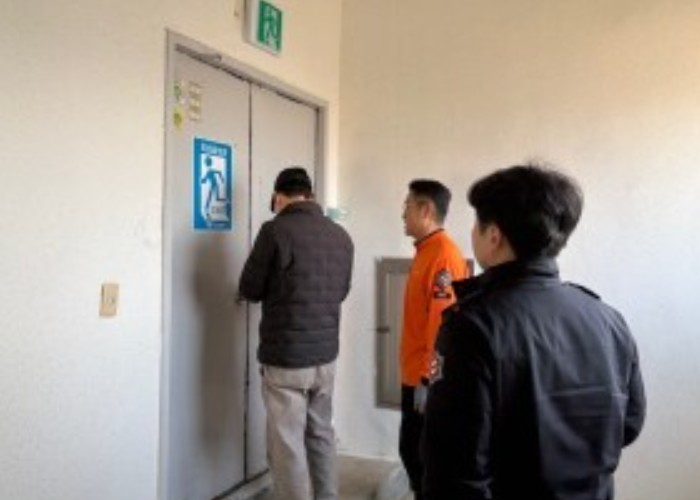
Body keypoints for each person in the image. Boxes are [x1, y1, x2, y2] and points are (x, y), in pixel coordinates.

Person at [421, 164, 646, 500]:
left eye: (476, 224)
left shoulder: (472, 327)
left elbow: (452, 469)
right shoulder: (608, 320)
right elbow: (628, 425)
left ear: (494, 235)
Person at [239, 166, 354, 500]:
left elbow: (250, 288)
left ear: (278, 197)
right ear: (310, 195)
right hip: (325, 358)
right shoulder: (340, 236)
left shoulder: (275, 231)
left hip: (286, 358)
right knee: (321, 433)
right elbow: (341, 291)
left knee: (287, 443)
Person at [399, 179, 470, 500]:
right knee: (413, 453)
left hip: (425, 378)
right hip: (414, 373)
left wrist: (429, 381)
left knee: (421, 457)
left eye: (407, 206)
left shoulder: (443, 257)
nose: (403, 214)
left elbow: (443, 326)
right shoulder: (426, 251)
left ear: (426, 210)